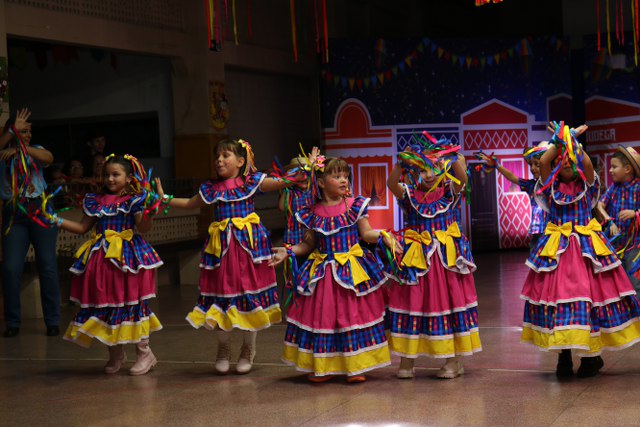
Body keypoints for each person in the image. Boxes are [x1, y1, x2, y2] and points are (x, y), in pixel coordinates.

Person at [156, 138, 302, 375]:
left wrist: (306, 169)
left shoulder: (251, 182)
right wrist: (164, 199)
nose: (219, 160)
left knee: (248, 296)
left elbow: (282, 182)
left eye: (226, 155)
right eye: (217, 156)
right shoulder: (211, 188)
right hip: (221, 252)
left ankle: (248, 348)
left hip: (249, 250)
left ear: (241, 161)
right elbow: (191, 203)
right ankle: (223, 348)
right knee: (222, 296)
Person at [521, 123, 640, 378]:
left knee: (591, 301)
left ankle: (591, 357)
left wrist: (572, 142)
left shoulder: (588, 185)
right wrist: (560, 140)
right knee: (560, 303)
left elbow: (585, 162)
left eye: (570, 158)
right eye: (561, 158)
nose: (566, 161)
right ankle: (563, 356)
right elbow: (544, 161)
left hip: (587, 250)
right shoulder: (550, 186)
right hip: (557, 252)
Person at [270, 157, 398, 383]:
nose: (343, 180)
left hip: (351, 270)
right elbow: (308, 244)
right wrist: (288, 251)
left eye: (345, 176)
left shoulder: (354, 205)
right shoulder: (313, 212)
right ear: (320, 182)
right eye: (336, 176)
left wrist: (383, 235)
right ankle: (323, 366)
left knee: (352, 317)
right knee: (324, 318)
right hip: (323, 272)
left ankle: (355, 365)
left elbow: (366, 233)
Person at [55, 154, 163, 375]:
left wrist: (150, 213)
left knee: (131, 304)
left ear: (128, 177)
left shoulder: (134, 199)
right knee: (106, 304)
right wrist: (55, 220)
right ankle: (115, 353)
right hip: (102, 259)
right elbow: (82, 227)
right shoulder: (95, 200)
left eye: (116, 174)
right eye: (107, 174)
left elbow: (143, 228)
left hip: (128, 259)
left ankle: (144, 353)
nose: (110, 179)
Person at [385, 136, 480, 379]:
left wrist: (450, 156)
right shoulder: (409, 195)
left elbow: (463, 180)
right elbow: (391, 183)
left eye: (434, 169)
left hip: (446, 260)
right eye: (423, 170)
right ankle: (407, 361)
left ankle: (454, 361)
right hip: (417, 261)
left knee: (450, 305)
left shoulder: (448, 192)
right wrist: (402, 162)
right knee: (412, 305)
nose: (428, 175)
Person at [0, 108, 61, 338]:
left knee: (47, 265)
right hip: (14, 214)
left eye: (29, 131)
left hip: (39, 209)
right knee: (10, 268)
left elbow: (49, 158)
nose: (28, 135)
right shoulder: (3, 154)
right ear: (12, 131)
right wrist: (12, 132)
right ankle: (12, 322)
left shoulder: (35, 150)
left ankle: (52, 321)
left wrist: (21, 148)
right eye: (23, 131)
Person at [478, 142, 549, 249]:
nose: (533, 168)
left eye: (537, 165)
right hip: (537, 233)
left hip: (551, 231)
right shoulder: (531, 185)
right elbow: (512, 177)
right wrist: (497, 165)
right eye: (531, 165)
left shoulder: (554, 186)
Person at [596, 146, 640, 292]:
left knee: (635, 282)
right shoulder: (614, 187)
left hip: (635, 245)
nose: (610, 170)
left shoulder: (638, 187)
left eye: (614, 167)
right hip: (616, 244)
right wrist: (609, 220)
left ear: (627, 169)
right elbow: (600, 205)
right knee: (616, 282)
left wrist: (635, 213)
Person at [278, 147, 320, 246]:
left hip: (312, 230)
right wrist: (287, 184)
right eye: (299, 175)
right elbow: (282, 207)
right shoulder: (290, 192)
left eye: (307, 174)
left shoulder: (312, 190)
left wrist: (313, 165)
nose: (304, 178)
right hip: (295, 233)